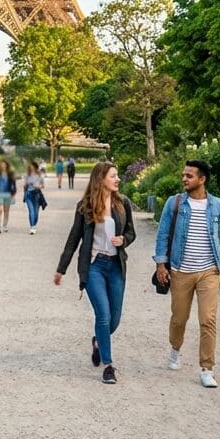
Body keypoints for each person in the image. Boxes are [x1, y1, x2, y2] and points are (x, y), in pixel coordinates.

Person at [154, 160, 220, 388]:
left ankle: (207, 369)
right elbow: (162, 234)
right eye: (183, 175)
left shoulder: (218, 206)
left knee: (208, 319)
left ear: (202, 179)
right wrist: (161, 265)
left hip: (209, 271)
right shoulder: (174, 203)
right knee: (179, 318)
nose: (184, 179)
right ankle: (175, 348)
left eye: (189, 176)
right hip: (180, 270)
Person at [54, 161, 136, 385]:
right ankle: (108, 366)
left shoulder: (123, 203)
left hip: (116, 266)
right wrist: (61, 269)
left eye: (117, 175)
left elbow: (131, 232)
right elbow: (73, 239)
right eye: (113, 176)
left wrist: (123, 240)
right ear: (101, 179)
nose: (118, 179)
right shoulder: (85, 206)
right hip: (94, 266)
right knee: (103, 315)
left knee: (114, 319)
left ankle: (98, 341)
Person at [0, 158, 16, 233]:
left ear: (6, 165)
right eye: (1, 165)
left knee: (6, 211)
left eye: (4, 164)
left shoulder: (10, 174)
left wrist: (13, 194)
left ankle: (5, 226)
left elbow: (13, 185)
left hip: (8, 194)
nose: (3, 166)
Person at [23, 160, 45, 235]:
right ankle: (32, 227)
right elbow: (24, 185)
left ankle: (34, 225)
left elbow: (43, 185)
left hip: (37, 194)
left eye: (32, 166)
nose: (31, 168)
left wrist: (38, 186)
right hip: (28, 194)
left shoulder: (39, 175)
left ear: (35, 167)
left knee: (36, 213)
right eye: (30, 166)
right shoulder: (27, 175)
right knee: (31, 211)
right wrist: (25, 188)